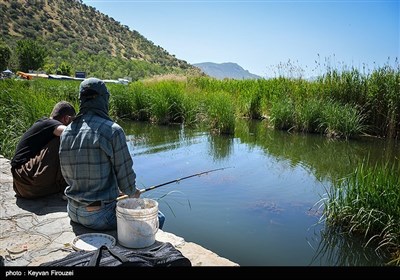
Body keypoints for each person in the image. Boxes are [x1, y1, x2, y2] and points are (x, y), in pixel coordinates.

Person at [59, 77, 165, 231]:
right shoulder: (112, 130)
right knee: (159, 218)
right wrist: (132, 192)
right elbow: (126, 181)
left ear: (81, 100)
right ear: (104, 99)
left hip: (73, 211)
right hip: (99, 216)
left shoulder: (66, 132)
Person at [11, 101, 76, 199]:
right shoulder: (48, 123)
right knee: (64, 139)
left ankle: (67, 187)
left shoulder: (47, 128)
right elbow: (73, 134)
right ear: (67, 118)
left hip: (23, 187)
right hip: (25, 176)